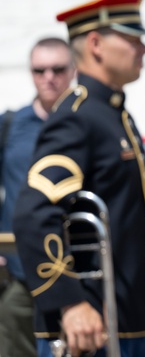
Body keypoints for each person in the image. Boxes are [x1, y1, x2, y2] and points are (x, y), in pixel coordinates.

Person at [13, 0, 145, 357]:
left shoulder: (113, 115)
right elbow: (34, 213)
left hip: (121, 321)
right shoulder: (78, 118)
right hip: (87, 329)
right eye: (133, 39)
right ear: (96, 44)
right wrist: (70, 302)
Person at [0, 38, 75, 357]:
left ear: (73, 71)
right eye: (39, 70)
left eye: (58, 69)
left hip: (75, 274)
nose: (49, 77)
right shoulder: (11, 125)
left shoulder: (85, 121)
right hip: (19, 272)